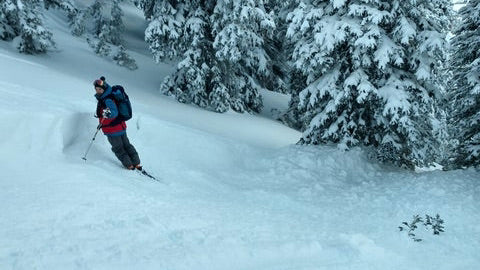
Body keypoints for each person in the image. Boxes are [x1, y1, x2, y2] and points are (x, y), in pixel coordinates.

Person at [94, 77, 142, 170]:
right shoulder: (110, 96)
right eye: (96, 89)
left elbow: (113, 112)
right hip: (120, 126)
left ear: (104, 89)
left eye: (100, 89)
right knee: (127, 145)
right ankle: (136, 163)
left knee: (118, 148)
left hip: (112, 130)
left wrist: (107, 114)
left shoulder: (107, 99)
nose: (98, 91)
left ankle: (129, 165)